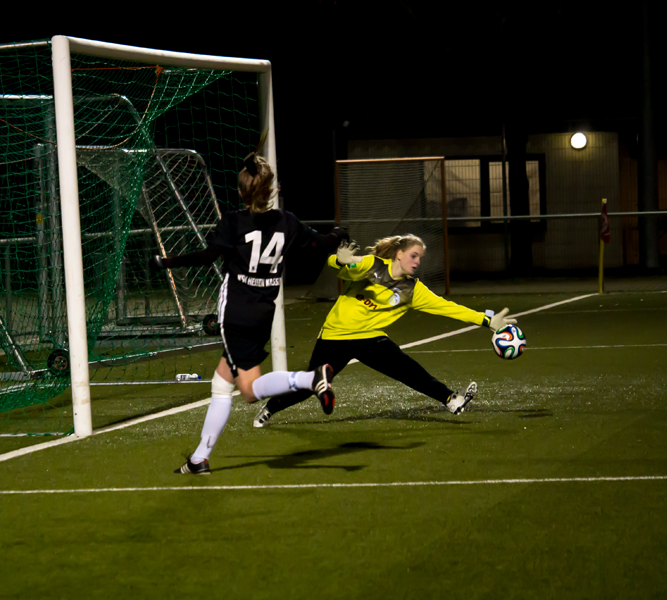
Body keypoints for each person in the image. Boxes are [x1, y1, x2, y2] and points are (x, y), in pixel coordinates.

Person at [150, 146, 348, 474]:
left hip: (235, 314)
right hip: (263, 313)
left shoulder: (234, 221)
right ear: (271, 191)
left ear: (242, 192)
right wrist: (338, 235)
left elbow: (207, 255)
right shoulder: (288, 222)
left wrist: (167, 262)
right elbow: (321, 245)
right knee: (222, 382)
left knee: (249, 391)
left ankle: (312, 378)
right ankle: (199, 459)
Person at [252, 234, 518, 427]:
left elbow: (447, 307)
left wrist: (486, 320)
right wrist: (340, 261)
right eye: (414, 256)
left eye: (420, 258)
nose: (417, 261)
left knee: (407, 369)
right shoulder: (371, 265)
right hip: (336, 335)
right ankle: (270, 408)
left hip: (371, 339)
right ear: (399, 254)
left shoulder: (413, 289)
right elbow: (345, 271)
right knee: (311, 386)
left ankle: (450, 399)